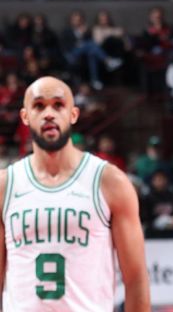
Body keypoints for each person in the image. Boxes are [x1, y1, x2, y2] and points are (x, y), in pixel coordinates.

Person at [0, 76, 149, 310]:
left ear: (73, 114)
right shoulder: (5, 186)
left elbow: (136, 279)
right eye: (39, 106)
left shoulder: (110, 182)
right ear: (25, 117)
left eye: (58, 105)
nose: (49, 113)